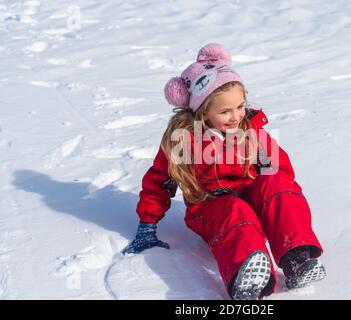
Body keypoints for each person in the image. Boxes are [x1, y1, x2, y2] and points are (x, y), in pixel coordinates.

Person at [122, 43, 326, 300]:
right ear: (203, 112)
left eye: (240, 107)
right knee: (233, 208)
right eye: (225, 111)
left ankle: (296, 259)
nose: (236, 116)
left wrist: (276, 208)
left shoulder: (252, 132)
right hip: (211, 210)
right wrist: (147, 225)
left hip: (253, 207)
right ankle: (247, 273)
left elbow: (284, 176)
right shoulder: (185, 140)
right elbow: (158, 183)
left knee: (275, 179)